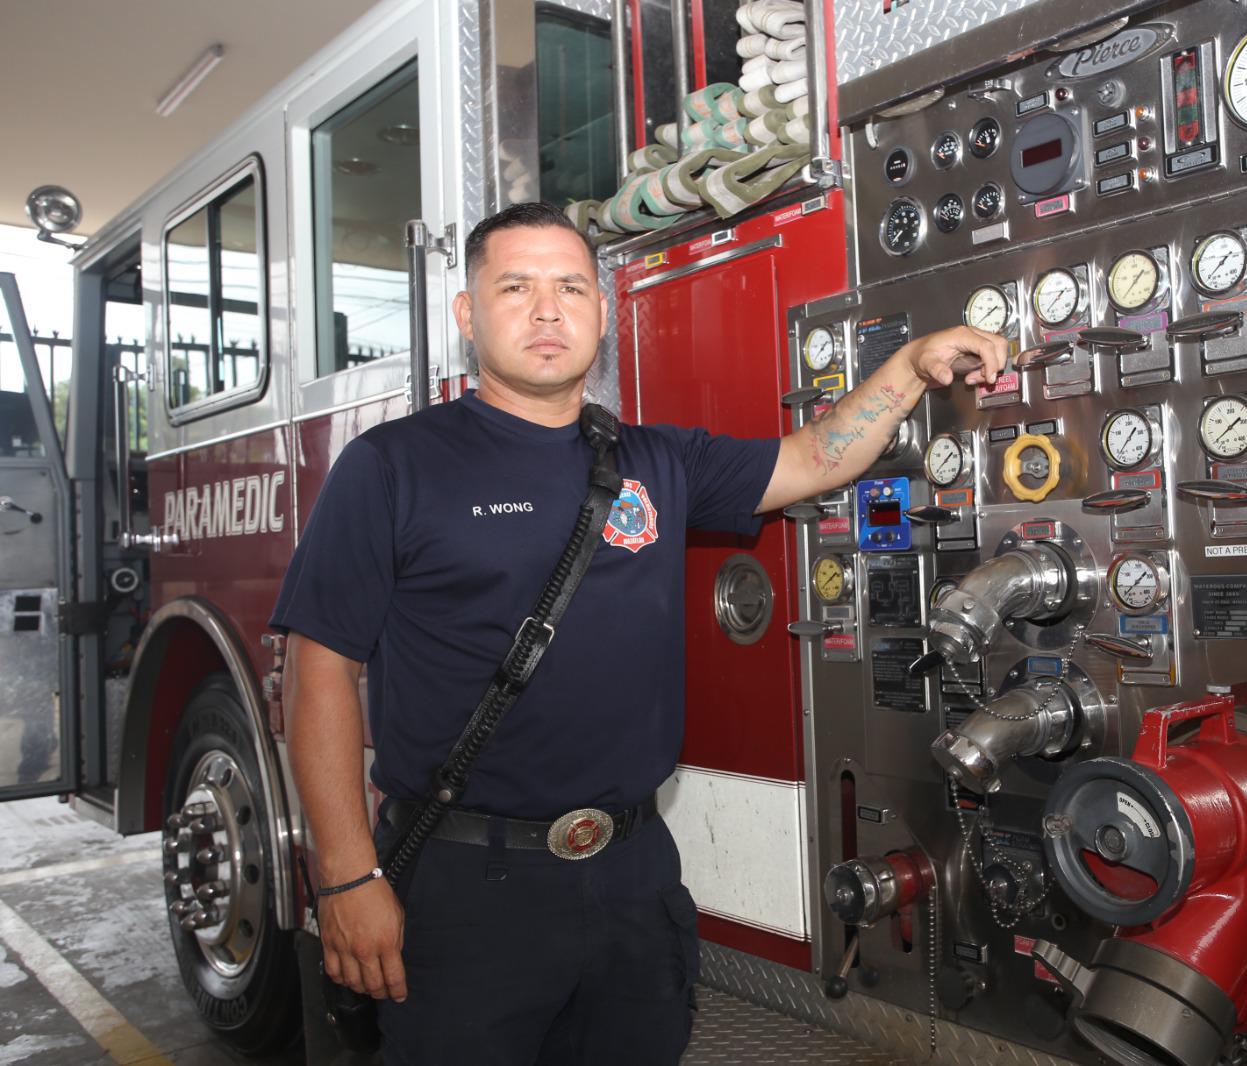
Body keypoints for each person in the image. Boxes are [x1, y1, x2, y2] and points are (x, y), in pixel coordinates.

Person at [272, 200, 1007, 1065]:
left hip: (633, 874)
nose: (547, 311)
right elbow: (318, 669)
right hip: (468, 885)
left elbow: (813, 457)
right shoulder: (393, 465)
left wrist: (913, 369)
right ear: (467, 315)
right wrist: (348, 874)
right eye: (516, 287)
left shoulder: (657, 460)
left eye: (571, 288)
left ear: (601, 314)